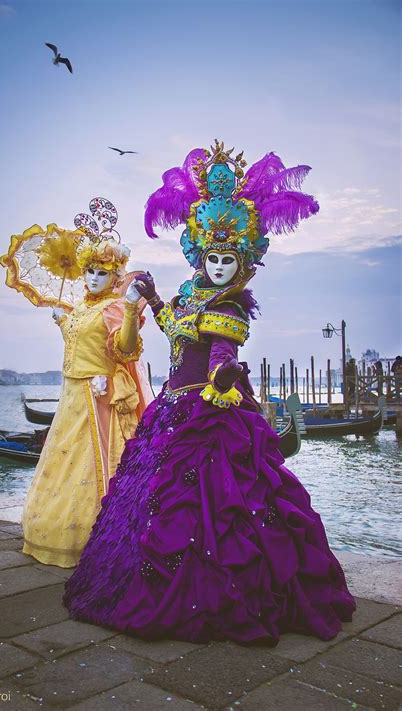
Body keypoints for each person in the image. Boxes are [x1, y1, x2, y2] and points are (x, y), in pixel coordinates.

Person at [63, 142, 355, 645]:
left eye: (229, 259)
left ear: (241, 262)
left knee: (219, 503)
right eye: (212, 257)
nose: (219, 266)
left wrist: (223, 377)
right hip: (173, 407)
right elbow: (175, 329)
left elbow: (221, 350)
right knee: (156, 500)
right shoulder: (189, 296)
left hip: (210, 411)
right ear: (199, 256)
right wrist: (152, 299)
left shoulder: (232, 303)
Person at [21, 235, 154, 567]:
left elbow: (124, 348)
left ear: (114, 276)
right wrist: (62, 321)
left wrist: (128, 311)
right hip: (71, 396)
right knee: (63, 459)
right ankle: (53, 531)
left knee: (96, 464)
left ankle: (97, 538)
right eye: (90, 271)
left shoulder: (112, 307)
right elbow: (77, 341)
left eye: (102, 273)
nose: (94, 278)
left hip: (98, 397)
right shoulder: (79, 307)